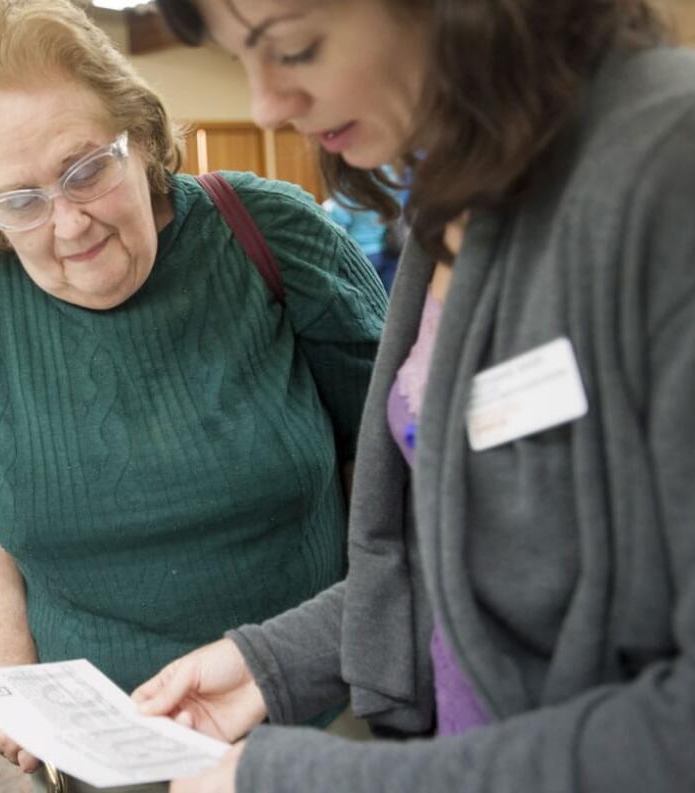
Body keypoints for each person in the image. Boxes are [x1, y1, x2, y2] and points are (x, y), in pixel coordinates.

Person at [135, 1, 695, 791]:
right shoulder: (457, 194)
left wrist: (311, 781)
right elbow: (484, 554)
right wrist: (273, 663)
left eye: (296, 48)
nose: (264, 105)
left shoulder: (670, 168)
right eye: (238, 61)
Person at [0, 1, 386, 790]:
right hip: (97, 749)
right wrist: (8, 670)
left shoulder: (267, 234)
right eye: (21, 201)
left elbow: (400, 449)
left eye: (86, 168)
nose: (68, 224)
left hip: (307, 719)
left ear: (140, 134)